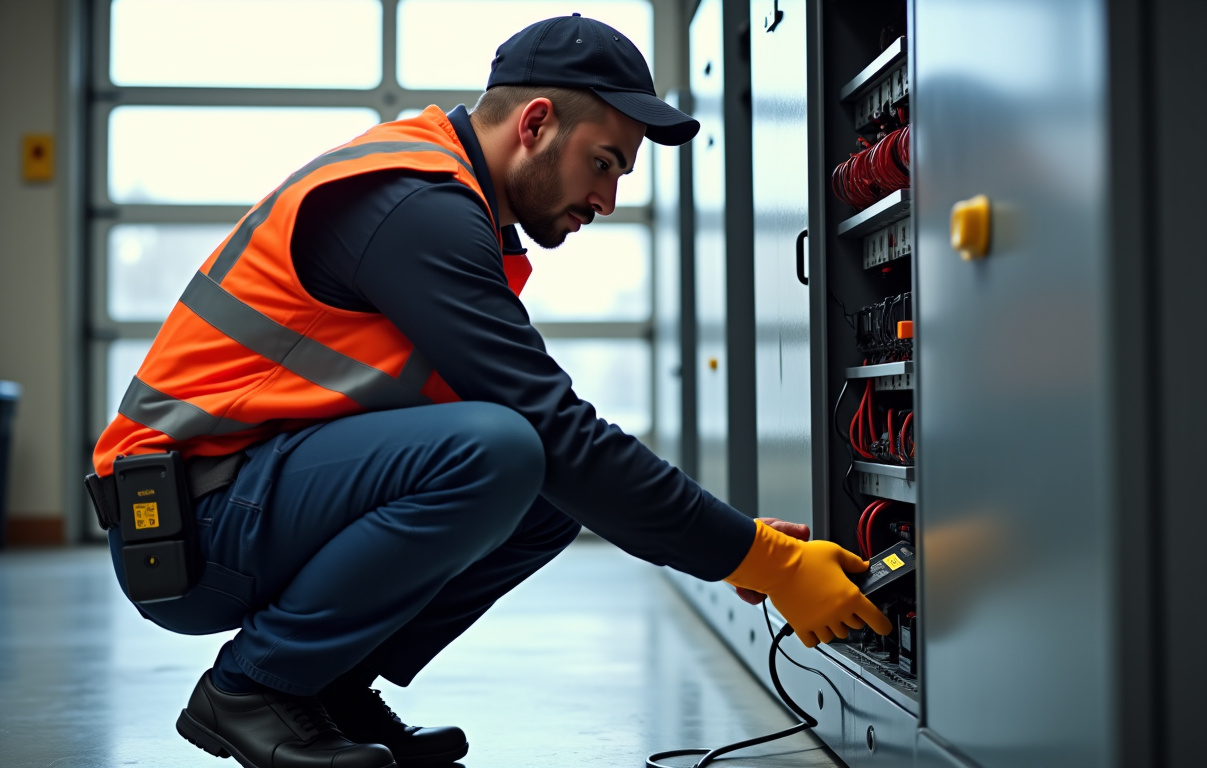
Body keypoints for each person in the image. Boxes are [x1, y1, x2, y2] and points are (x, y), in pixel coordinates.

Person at [90, 14, 892, 768]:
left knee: (547, 484)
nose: (608, 201)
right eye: (604, 163)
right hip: (189, 522)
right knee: (507, 450)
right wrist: (763, 557)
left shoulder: (447, 206)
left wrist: (734, 544)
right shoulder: (415, 207)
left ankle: (326, 687)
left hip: (247, 497)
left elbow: (558, 448)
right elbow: (549, 425)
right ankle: (254, 685)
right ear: (535, 123)